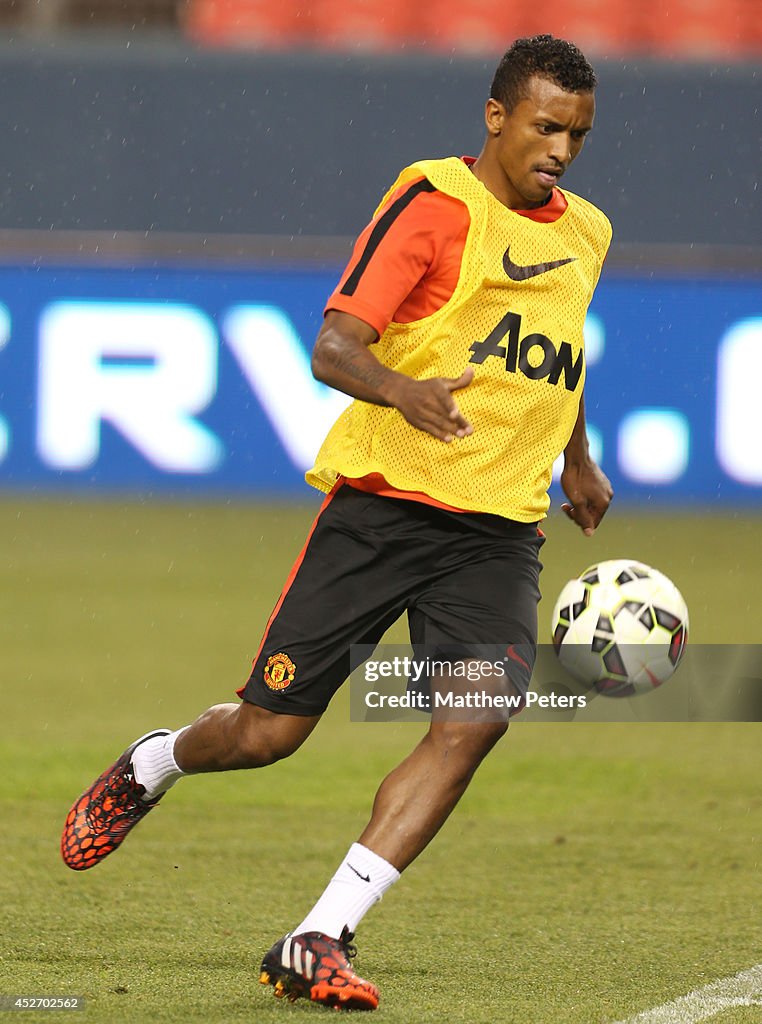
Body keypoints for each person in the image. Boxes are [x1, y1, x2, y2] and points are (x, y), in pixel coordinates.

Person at [61, 34, 613, 1012]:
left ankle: (318, 935)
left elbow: (559, 353)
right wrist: (404, 391)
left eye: (576, 132)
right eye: (544, 126)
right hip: (381, 510)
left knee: (476, 715)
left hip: (495, 531)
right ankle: (158, 759)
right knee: (269, 733)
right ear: (497, 118)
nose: (561, 148)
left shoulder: (589, 234)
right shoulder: (435, 204)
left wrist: (577, 457)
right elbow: (333, 345)